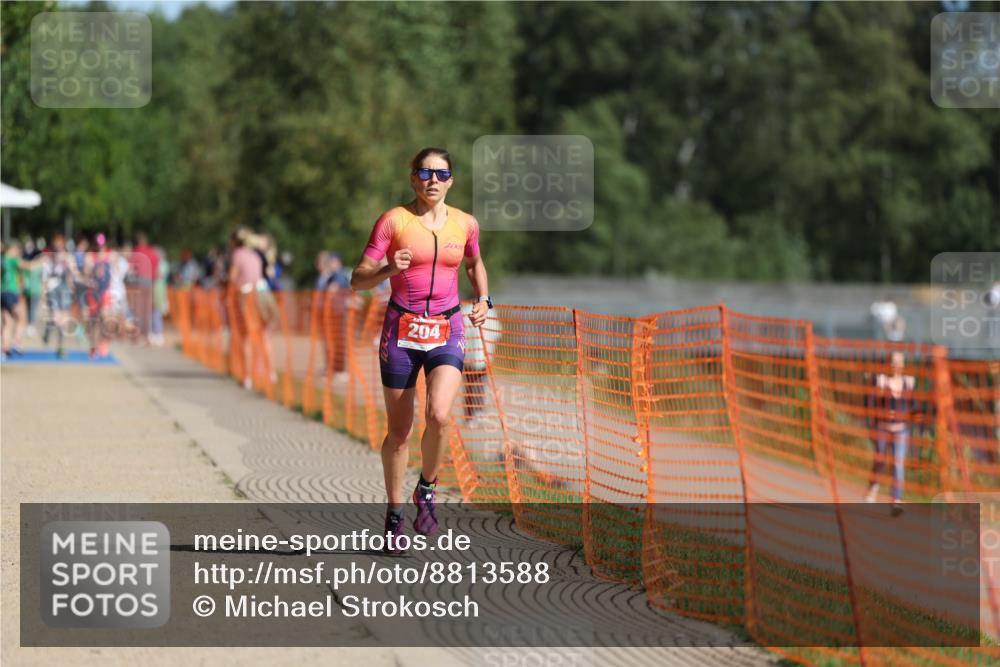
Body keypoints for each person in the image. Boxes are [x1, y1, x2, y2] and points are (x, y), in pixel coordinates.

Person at [350, 147, 491, 552]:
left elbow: (473, 263)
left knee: (441, 415)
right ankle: (394, 516)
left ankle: (426, 489)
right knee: (399, 433)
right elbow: (357, 280)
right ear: (413, 178)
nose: (433, 180)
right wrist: (388, 269)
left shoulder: (465, 224)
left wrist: (484, 299)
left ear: (451, 180)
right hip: (401, 330)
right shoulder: (394, 221)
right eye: (424, 173)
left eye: (441, 173)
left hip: (447, 327)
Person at [865, 351, 917, 516]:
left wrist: (911, 416)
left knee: (897, 464)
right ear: (889, 363)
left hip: (901, 430)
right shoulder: (880, 380)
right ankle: (872, 490)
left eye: (899, 362)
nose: (896, 365)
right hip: (882, 428)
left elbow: (913, 406)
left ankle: (896, 501)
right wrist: (873, 425)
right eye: (893, 361)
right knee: (880, 461)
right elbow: (870, 404)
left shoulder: (909, 382)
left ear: (903, 365)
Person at [41, 234, 78, 358]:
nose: (59, 247)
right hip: (53, 289)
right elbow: (45, 277)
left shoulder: (68, 257)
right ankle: (48, 328)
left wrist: (72, 284)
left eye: (61, 244)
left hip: (64, 289)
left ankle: (60, 347)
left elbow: (73, 272)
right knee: (56, 318)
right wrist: (44, 292)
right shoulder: (48, 258)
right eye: (57, 244)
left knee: (63, 321)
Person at [1, 240, 26, 358]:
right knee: (21, 318)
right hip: (10, 292)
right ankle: (17, 342)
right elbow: (28, 266)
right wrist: (41, 260)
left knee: (7, 323)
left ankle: (5, 350)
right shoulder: (11, 260)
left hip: (2, 293)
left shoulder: (1, 260)